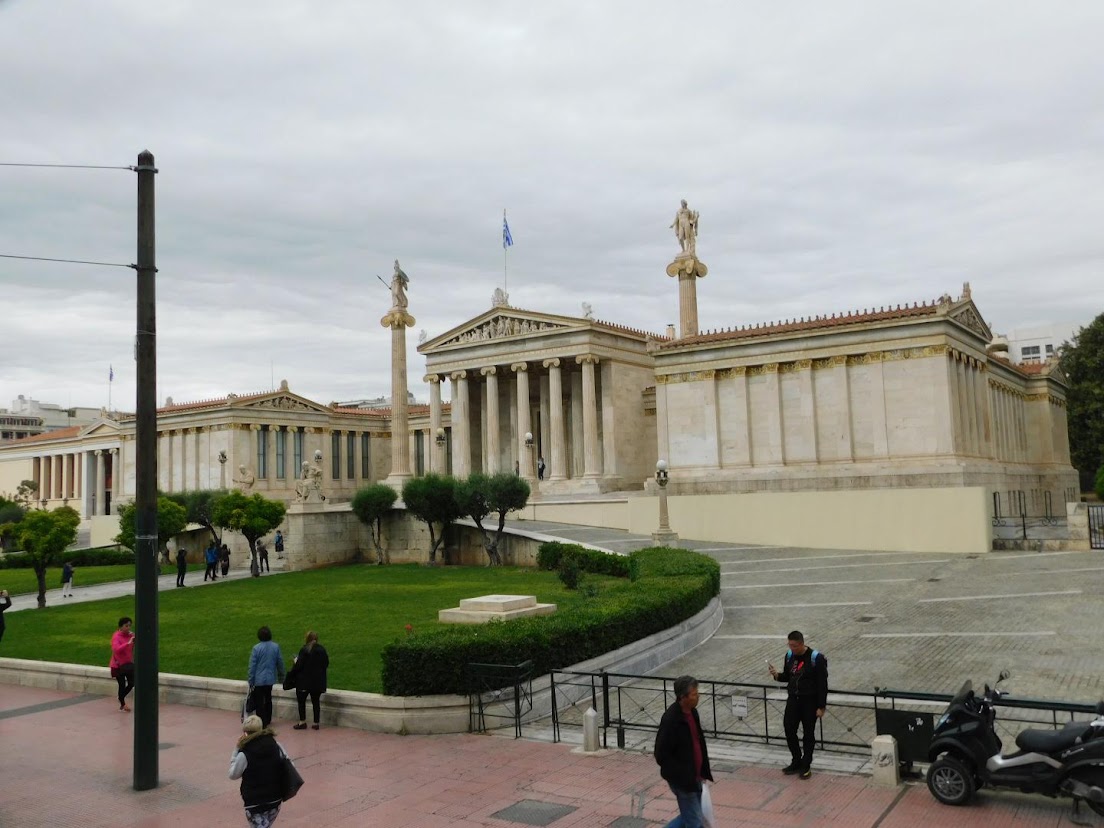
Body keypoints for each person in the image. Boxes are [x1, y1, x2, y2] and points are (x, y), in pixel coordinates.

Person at [654, 675, 713, 828]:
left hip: (696, 777)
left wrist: (702, 771)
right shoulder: (671, 720)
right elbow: (661, 754)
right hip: (683, 781)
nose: (698, 696)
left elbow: (698, 743)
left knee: (692, 816)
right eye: (694, 694)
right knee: (695, 821)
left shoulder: (693, 713)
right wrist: (682, 775)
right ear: (683, 697)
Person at [769, 630, 828, 779]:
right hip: (793, 699)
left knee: (808, 734)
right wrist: (777, 676)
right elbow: (788, 677)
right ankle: (796, 759)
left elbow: (822, 684)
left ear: (802, 643)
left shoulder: (816, 658)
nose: (792, 649)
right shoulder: (789, 656)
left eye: (794, 646)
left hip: (809, 701)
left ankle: (806, 764)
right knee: (789, 729)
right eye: (790, 645)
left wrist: (821, 707)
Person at [229, 714, 285, 826]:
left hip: (254, 802)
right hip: (275, 798)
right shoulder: (276, 745)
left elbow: (233, 774)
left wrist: (236, 749)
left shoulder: (245, 753)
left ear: (246, 733)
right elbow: (288, 763)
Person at [248, 626, 285, 728]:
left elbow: (252, 666)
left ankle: (261, 721)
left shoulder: (256, 648)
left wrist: (251, 680)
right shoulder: (275, 647)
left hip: (258, 680)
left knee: (259, 701)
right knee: (268, 698)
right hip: (270, 679)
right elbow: (280, 663)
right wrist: (281, 676)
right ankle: (268, 718)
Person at [292, 631, 330, 730]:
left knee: (301, 702)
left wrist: (295, 661)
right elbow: (326, 664)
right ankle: (316, 723)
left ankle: (302, 722)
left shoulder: (304, 650)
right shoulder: (322, 650)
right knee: (316, 702)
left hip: (304, 682)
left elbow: (299, 666)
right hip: (317, 682)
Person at [110, 616, 136, 712]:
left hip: (128, 664)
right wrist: (128, 643)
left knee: (132, 683)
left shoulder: (131, 635)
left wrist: (134, 638)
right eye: (126, 626)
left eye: (129, 626)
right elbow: (116, 649)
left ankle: (120, 697)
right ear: (120, 627)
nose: (128, 628)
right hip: (118, 666)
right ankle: (122, 704)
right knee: (121, 684)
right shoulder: (116, 636)